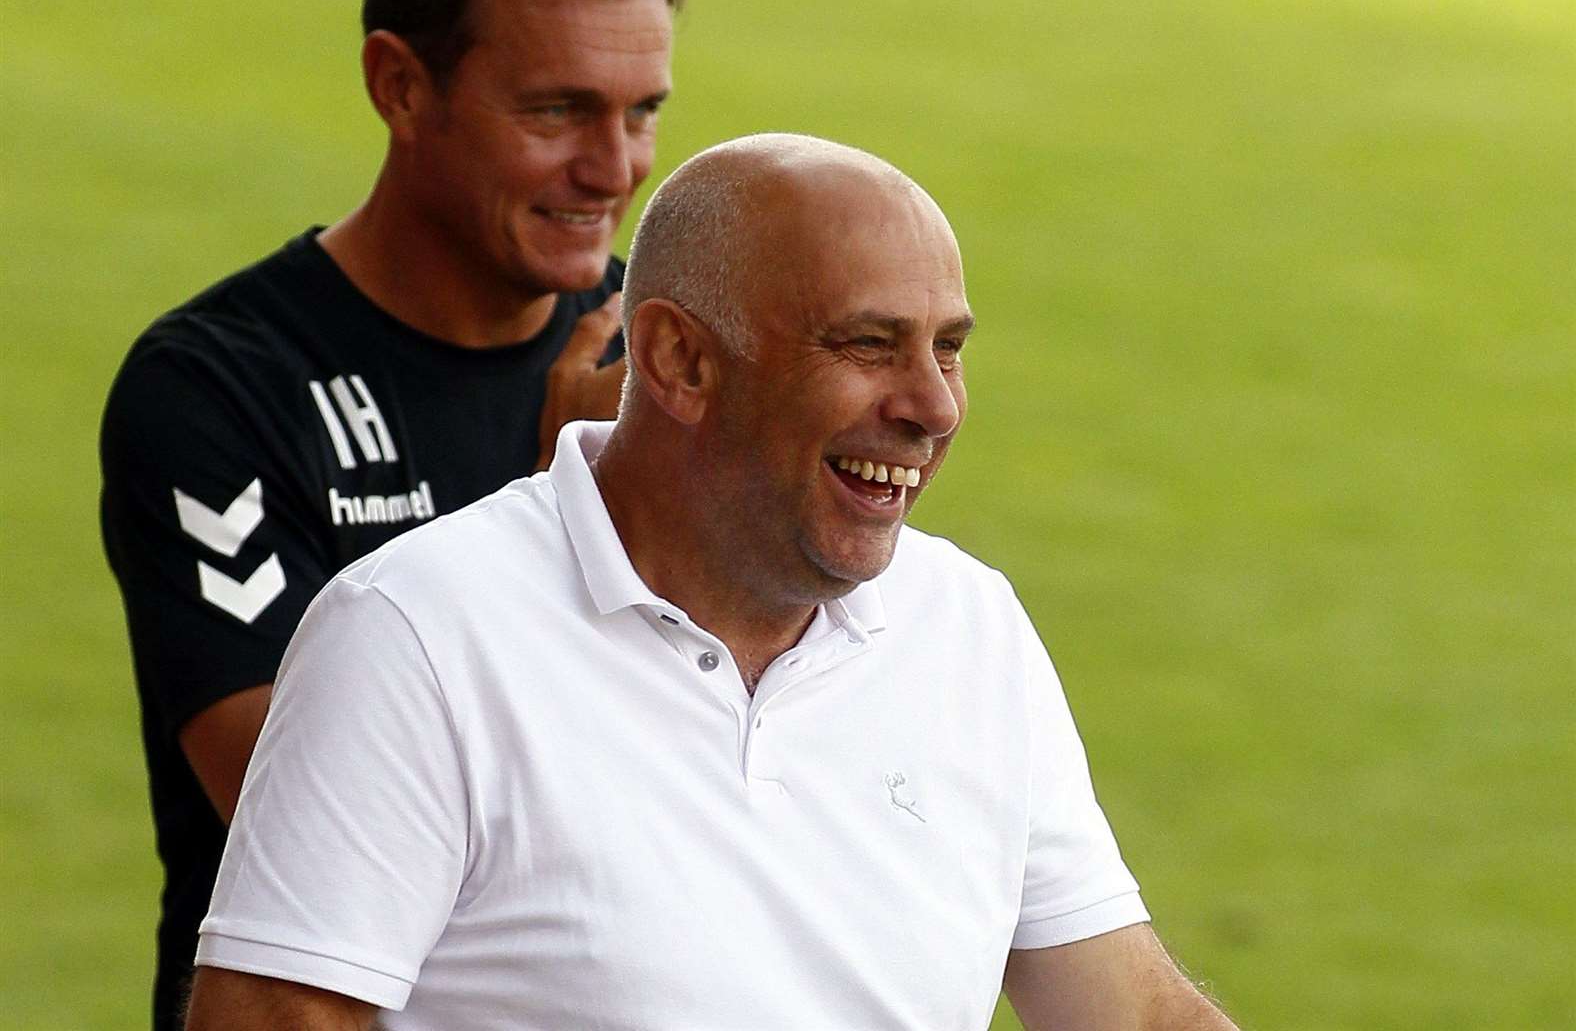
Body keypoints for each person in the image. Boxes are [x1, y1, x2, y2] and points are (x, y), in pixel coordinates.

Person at [183, 134, 1238, 1030]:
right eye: (868, 345)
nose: (932, 406)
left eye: (947, 349)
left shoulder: (968, 628)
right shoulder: (415, 634)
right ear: (680, 361)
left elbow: (1131, 1011)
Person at [97, 0, 682, 1026]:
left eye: (641, 112)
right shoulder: (217, 391)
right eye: (558, 111)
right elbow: (309, 816)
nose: (615, 169)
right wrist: (558, 511)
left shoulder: (665, 360)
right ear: (400, 85)